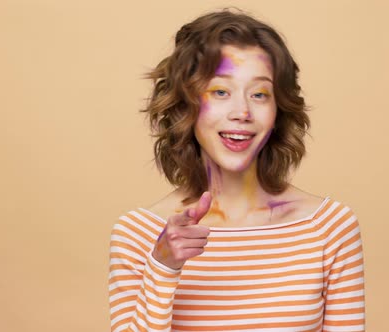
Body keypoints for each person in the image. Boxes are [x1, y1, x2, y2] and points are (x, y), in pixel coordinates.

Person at [109, 9, 365, 332]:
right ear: (185, 105)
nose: (242, 112)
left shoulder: (329, 228)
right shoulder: (137, 235)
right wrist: (162, 266)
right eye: (220, 92)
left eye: (259, 94)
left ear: (278, 109)